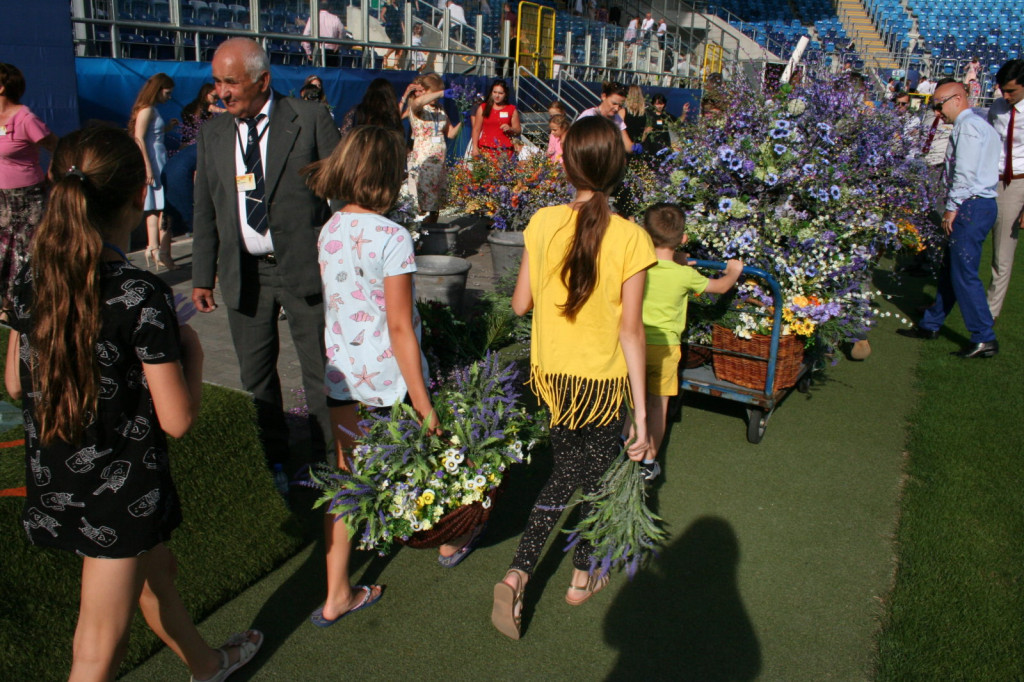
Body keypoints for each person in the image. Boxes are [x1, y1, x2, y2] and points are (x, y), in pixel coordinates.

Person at [4, 125, 262, 682]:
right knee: (99, 648)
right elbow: (177, 420)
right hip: (115, 498)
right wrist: (189, 352)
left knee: (157, 572)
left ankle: (207, 664)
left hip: (56, 474)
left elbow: (15, 384)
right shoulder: (138, 293)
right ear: (135, 198)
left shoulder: (32, 278)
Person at [490, 116, 655, 640]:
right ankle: (530, 572)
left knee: (578, 470)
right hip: (602, 383)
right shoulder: (632, 237)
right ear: (618, 168)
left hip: (554, 379)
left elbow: (519, 305)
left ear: (565, 163)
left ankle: (580, 571)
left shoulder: (541, 223)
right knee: (588, 477)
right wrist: (644, 417)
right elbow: (632, 332)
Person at [304, 125, 451, 624]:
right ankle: (451, 537)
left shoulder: (330, 229)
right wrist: (424, 401)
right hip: (390, 380)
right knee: (429, 457)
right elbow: (399, 326)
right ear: (389, 176)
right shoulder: (392, 236)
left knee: (347, 479)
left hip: (343, 376)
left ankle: (336, 592)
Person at [192, 38, 341, 488]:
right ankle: (273, 460)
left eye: (231, 82)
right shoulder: (213, 132)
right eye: (217, 82)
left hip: (304, 267)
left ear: (263, 81)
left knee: (319, 371)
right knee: (255, 375)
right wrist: (202, 275)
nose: (222, 92)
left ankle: (327, 463)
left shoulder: (310, 118)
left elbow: (344, 192)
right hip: (246, 273)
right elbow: (205, 207)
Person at [637, 204, 742, 481]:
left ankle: (625, 440)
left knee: (633, 398)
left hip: (634, 343)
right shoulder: (684, 275)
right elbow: (719, 287)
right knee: (658, 405)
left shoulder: (638, 265)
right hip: (665, 347)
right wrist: (733, 271)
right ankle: (648, 461)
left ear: (645, 235)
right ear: (683, 239)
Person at [897, 81, 1000, 358]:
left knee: (963, 273)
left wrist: (953, 207)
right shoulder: (981, 126)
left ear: (956, 99)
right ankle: (932, 323)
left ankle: (984, 336)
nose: (938, 114)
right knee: (951, 269)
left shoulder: (967, 127)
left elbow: (964, 173)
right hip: (980, 203)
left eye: (939, 106)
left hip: (971, 205)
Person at [0, 62, 56, 315]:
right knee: (3, 254)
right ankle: (6, 304)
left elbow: (58, 146)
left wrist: (52, 172)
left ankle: (27, 305)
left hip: (28, 198)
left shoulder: (26, 119)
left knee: (26, 254)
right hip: (2, 199)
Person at [986, 59, 1024, 321]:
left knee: (1002, 256)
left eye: (1012, 91)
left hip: (1017, 183)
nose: (1005, 96)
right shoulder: (997, 108)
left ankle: (988, 316)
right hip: (988, 180)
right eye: (1003, 90)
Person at [128, 72, 178, 271]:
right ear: (158, 90)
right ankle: (161, 251)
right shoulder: (147, 110)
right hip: (154, 162)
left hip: (158, 159)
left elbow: (150, 136)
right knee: (164, 208)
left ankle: (155, 248)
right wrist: (147, 166)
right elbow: (139, 138)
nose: (169, 97)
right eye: (167, 93)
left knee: (156, 208)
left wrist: (166, 128)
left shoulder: (152, 110)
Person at [403, 73, 461, 222]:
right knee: (422, 203)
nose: (436, 97)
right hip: (423, 161)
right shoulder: (418, 107)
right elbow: (417, 103)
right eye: (433, 93)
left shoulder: (440, 109)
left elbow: (451, 134)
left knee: (436, 206)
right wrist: (441, 93)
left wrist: (464, 121)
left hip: (439, 163)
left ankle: (433, 233)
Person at [577, 81, 638, 153]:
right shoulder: (589, 115)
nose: (616, 108)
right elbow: (574, 140)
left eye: (620, 105)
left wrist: (635, 147)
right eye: (614, 103)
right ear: (604, 96)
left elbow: (627, 146)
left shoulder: (617, 119)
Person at [470, 78, 520, 160]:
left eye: (500, 93)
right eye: (495, 92)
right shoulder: (483, 108)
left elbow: (518, 130)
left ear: (505, 94)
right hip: (486, 148)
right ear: (491, 93)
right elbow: (476, 129)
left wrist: (511, 129)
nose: (497, 96)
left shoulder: (511, 109)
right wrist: (475, 147)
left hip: (505, 150)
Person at [301, 1, 347, 66]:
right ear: (330, 8)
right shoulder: (335, 18)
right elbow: (342, 31)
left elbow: (305, 36)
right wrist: (339, 44)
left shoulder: (313, 18)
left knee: (319, 72)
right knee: (332, 72)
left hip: (318, 50)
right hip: (332, 51)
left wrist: (309, 52)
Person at [381, 0, 405, 69]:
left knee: (400, 46)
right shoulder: (387, 5)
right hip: (391, 27)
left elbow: (401, 19)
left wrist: (403, 30)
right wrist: (386, 22)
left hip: (398, 28)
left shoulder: (398, 6)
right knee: (395, 44)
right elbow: (382, 15)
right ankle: (386, 56)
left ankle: (395, 64)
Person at [622, 85, 646, 151]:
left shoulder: (623, 112)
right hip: (638, 146)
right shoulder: (645, 114)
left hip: (624, 147)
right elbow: (646, 131)